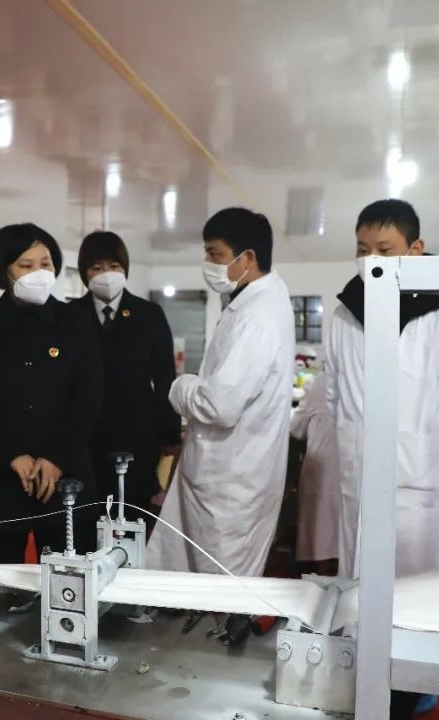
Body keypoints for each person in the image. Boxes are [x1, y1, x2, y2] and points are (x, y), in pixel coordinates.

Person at [324, 199, 439, 720]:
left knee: (417, 604)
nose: (371, 260)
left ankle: (417, 692)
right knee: (360, 601)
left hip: (423, 484)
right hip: (359, 481)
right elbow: (334, 395)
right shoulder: (345, 312)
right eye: (362, 249)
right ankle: (362, 688)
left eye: (384, 250)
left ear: (415, 249)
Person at [147, 207, 295, 577]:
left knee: (222, 588)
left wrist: (180, 386)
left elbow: (220, 404)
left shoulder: (256, 317)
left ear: (248, 258)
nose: (208, 264)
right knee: (198, 581)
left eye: (216, 255)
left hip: (232, 483)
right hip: (224, 476)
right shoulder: (252, 301)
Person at [0, 223, 102, 563]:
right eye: (26, 265)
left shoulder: (76, 322)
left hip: (66, 475)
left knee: (70, 576)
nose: (39, 272)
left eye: (45, 264)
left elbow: (87, 397)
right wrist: (10, 454)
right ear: (3, 270)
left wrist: (55, 457)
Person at [73, 231, 180, 528]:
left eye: (114, 266)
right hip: (85, 437)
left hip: (137, 436)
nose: (106, 274)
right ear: (84, 273)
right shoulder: (70, 316)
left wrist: (170, 434)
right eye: (96, 268)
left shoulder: (150, 315)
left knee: (133, 517)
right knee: (87, 519)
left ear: (125, 269)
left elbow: (165, 377)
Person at [289, 370, 340, 575]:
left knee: (321, 531)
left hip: (323, 469)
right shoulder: (373, 378)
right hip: (354, 467)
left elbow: (296, 428)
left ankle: (320, 576)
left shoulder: (319, 384)